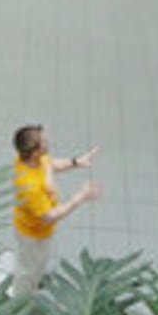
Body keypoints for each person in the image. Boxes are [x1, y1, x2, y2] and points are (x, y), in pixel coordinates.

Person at [11, 124, 100, 296]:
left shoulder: (33, 159)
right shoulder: (29, 186)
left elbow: (50, 164)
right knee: (28, 270)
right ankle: (21, 300)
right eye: (43, 141)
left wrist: (76, 162)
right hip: (33, 235)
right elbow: (49, 216)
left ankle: (35, 280)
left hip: (41, 232)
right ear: (35, 152)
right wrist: (80, 197)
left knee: (37, 263)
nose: (47, 141)